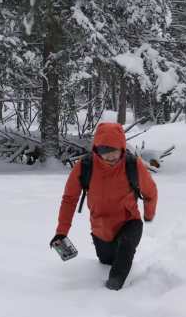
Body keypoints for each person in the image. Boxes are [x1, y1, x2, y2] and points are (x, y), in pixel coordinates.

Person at [50, 122, 158, 290]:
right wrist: (61, 232)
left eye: (114, 151)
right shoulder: (85, 167)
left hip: (129, 221)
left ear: (122, 147)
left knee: (126, 246)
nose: (110, 157)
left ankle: (112, 290)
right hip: (101, 229)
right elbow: (69, 199)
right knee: (107, 261)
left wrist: (148, 214)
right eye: (104, 152)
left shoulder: (132, 165)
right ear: (96, 150)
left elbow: (151, 192)